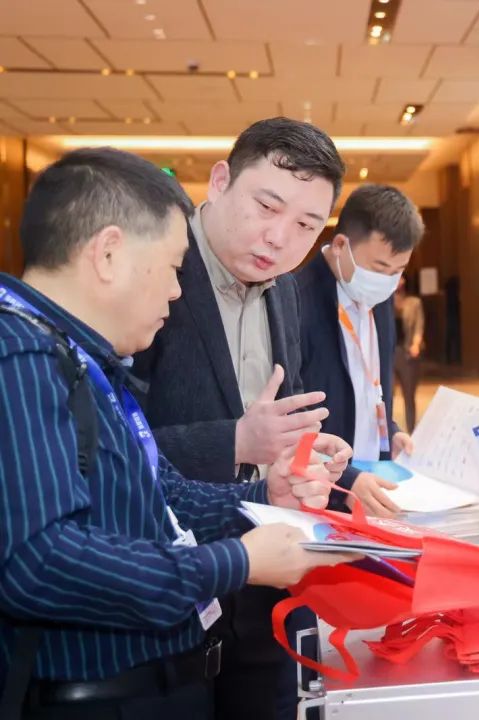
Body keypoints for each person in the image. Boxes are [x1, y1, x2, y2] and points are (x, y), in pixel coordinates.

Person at [0, 147, 353, 720]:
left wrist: (265, 497)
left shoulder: (80, 358)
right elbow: (39, 562)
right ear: (108, 254)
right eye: (170, 268)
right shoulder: (20, 357)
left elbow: (159, 496)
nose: (174, 290)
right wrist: (236, 562)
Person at [129, 118, 371, 719]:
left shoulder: (284, 287)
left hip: (268, 585)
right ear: (220, 181)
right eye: (267, 206)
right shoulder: (152, 270)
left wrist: (309, 452)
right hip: (169, 594)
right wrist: (234, 441)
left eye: (307, 226)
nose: (280, 238)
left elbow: (279, 407)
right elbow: (105, 443)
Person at [297, 184, 424, 517]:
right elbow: (291, 416)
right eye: (380, 269)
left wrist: (390, 433)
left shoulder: (378, 299)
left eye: (397, 272)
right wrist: (347, 478)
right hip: (320, 493)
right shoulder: (295, 300)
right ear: (341, 246)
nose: (387, 281)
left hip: (373, 483)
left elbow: (372, 383)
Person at [394, 274, 425, 433]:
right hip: (389, 354)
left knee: (409, 395)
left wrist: (416, 344)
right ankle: (388, 432)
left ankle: (412, 431)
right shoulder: (382, 302)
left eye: (400, 277)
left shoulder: (414, 303)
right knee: (385, 396)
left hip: (407, 354)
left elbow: (419, 326)